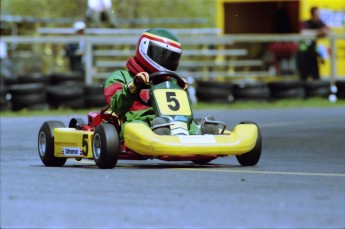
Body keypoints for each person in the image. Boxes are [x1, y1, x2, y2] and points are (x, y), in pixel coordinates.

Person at [104, 28, 218, 138]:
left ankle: (202, 133)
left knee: (189, 124)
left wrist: (180, 90)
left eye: (171, 58)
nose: (166, 61)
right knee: (135, 127)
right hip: (138, 121)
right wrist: (132, 87)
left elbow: (176, 109)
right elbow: (116, 107)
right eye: (161, 55)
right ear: (144, 48)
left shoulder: (168, 81)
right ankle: (160, 132)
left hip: (171, 121)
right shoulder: (120, 77)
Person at [297, 6, 329, 81]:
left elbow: (326, 31)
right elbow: (302, 33)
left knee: (316, 78)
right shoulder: (306, 23)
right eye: (316, 14)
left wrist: (322, 32)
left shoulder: (320, 23)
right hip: (303, 55)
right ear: (312, 14)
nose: (318, 16)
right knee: (303, 78)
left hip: (313, 55)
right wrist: (318, 32)